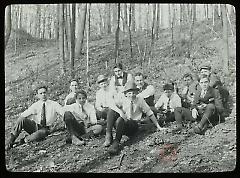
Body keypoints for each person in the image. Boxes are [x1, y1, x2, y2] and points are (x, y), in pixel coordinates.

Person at [103, 81, 165, 154]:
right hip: (122, 124)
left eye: (133, 93)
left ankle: (116, 143)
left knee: (121, 119)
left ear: (136, 93)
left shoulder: (140, 99)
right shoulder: (122, 99)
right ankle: (108, 135)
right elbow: (111, 104)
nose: (132, 95)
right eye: (129, 93)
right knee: (111, 111)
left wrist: (158, 126)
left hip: (133, 125)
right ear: (125, 94)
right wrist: (120, 112)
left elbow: (149, 113)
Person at [5, 85, 64, 150]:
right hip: (36, 126)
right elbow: (23, 115)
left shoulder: (54, 104)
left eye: (44, 93)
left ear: (47, 93)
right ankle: (11, 141)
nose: (43, 95)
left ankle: (24, 140)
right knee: (21, 119)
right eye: (41, 93)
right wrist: (30, 115)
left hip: (46, 128)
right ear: (38, 95)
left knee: (40, 133)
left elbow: (63, 112)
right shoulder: (36, 105)